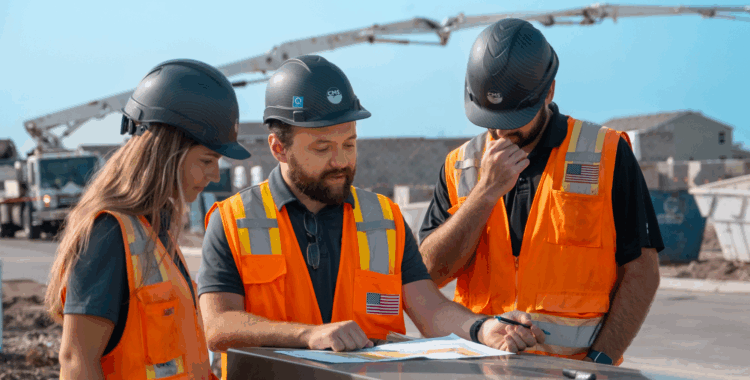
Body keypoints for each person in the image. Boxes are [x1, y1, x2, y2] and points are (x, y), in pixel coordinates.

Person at [197, 55, 546, 379]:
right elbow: (218, 326)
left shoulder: (384, 218)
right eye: (322, 148)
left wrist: (482, 329)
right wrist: (306, 335)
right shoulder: (233, 220)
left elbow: (430, 308)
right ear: (278, 148)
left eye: (349, 144)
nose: (341, 161)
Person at [418, 18, 664, 365]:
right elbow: (430, 274)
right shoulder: (460, 165)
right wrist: (484, 194)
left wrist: (599, 363)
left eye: (513, 118)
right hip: (478, 366)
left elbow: (642, 271)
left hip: (573, 369)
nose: (501, 131)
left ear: (548, 92)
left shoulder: (606, 153)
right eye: (490, 117)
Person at [45, 59, 251, 380]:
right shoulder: (109, 234)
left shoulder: (155, 231)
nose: (213, 174)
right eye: (207, 160)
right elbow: (76, 360)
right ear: (168, 152)